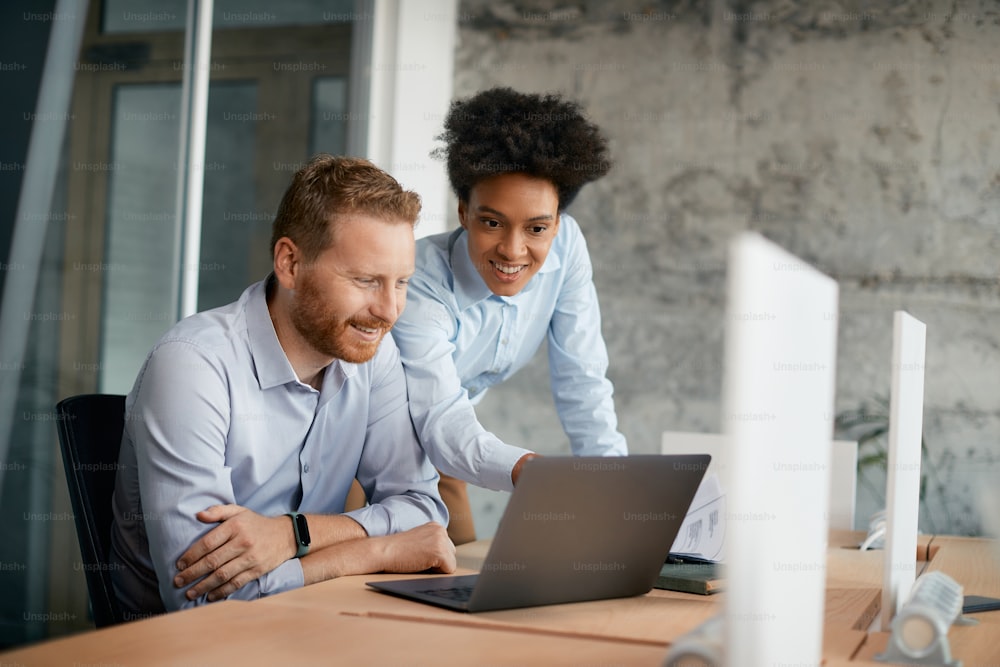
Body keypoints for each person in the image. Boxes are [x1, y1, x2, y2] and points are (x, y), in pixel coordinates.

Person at [109, 154, 455, 616]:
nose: (389, 310)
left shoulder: (373, 353)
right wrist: (376, 551)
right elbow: (207, 600)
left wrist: (293, 534)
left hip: (315, 626)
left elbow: (423, 509)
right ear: (290, 263)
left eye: (402, 283)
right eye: (366, 280)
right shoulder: (191, 367)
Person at [391, 87, 628, 544]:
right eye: (492, 222)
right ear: (463, 211)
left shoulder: (567, 247)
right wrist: (527, 471)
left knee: (457, 580)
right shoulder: (419, 282)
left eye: (537, 228)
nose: (513, 250)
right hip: (370, 452)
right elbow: (437, 416)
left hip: (452, 449)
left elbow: (583, 378)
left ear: (557, 223)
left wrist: (614, 484)